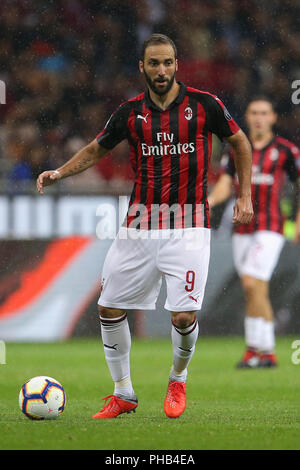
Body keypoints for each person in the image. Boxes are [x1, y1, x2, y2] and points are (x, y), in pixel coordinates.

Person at [36, 34, 253, 418]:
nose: (161, 70)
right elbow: (96, 149)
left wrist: (245, 194)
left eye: (167, 62)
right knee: (108, 308)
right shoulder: (129, 113)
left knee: (184, 316)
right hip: (139, 225)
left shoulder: (205, 105)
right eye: (154, 63)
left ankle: (178, 379)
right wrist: (60, 173)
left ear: (177, 64)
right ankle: (124, 393)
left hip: (189, 224)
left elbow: (240, 144)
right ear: (142, 67)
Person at [208, 97, 300, 368]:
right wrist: (211, 201)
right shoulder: (236, 148)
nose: (259, 118)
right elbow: (225, 184)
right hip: (242, 227)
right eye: (254, 113)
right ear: (247, 117)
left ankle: (262, 348)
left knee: (250, 282)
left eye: (264, 113)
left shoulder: (285, 150)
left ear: (272, 118)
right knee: (254, 288)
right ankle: (259, 351)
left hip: (271, 227)